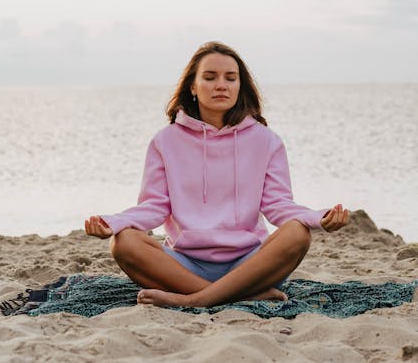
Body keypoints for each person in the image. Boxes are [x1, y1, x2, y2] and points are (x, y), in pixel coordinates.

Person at [85, 41, 349, 308]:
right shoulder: (165, 141)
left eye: (230, 78)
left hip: (250, 265)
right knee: (124, 242)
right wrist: (114, 222)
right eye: (209, 77)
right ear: (193, 86)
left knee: (297, 233)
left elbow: (277, 205)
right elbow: (155, 206)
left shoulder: (266, 141)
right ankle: (236, 296)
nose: (221, 85)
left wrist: (317, 218)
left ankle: (196, 299)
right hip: (184, 265)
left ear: (239, 87)